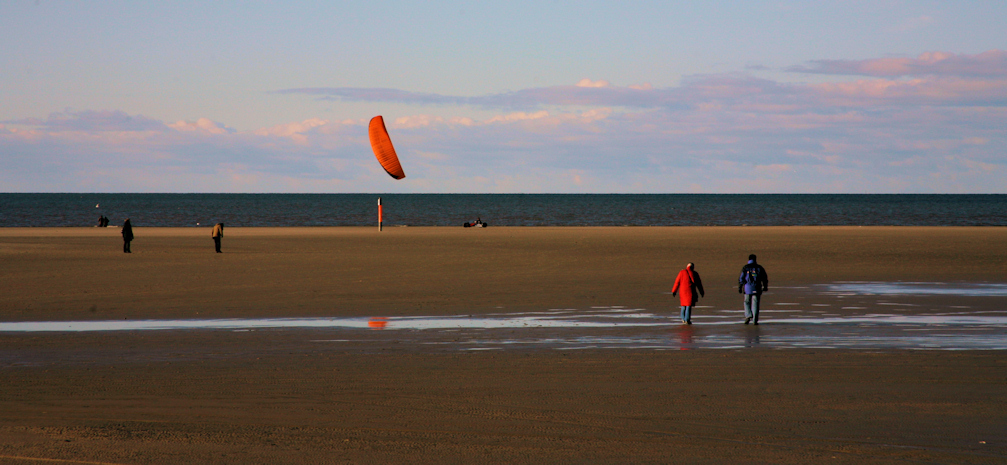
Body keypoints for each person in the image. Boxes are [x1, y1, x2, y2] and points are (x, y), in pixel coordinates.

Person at [738, 254, 769, 324]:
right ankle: (755, 319)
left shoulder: (745, 268)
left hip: (747, 288)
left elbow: (741, 278)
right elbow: (764, 278)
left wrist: (740, 287)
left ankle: (748, 315)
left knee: (747, 302)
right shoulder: (759, 268)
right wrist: (765, 286)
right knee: (755, 303)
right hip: (757, 287)